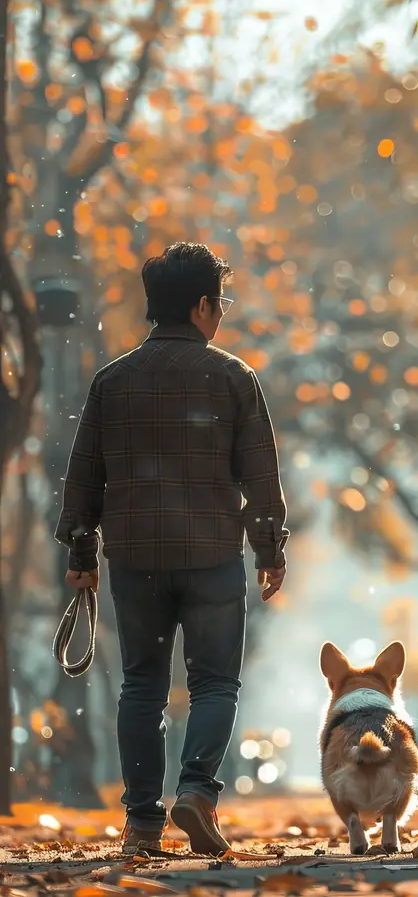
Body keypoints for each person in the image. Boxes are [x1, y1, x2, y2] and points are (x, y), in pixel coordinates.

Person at [55, 242, 289, 856]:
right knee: (214, 685)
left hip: (134, 558)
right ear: (204, 305)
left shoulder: (113, 381)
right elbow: (261, 477)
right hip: (211, 554)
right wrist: (269, 550)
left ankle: (139, 823)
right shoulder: (235, 378)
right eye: (222, 302)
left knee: (141, 687)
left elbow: (84, 477)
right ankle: (197, 793)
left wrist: (81, 552)